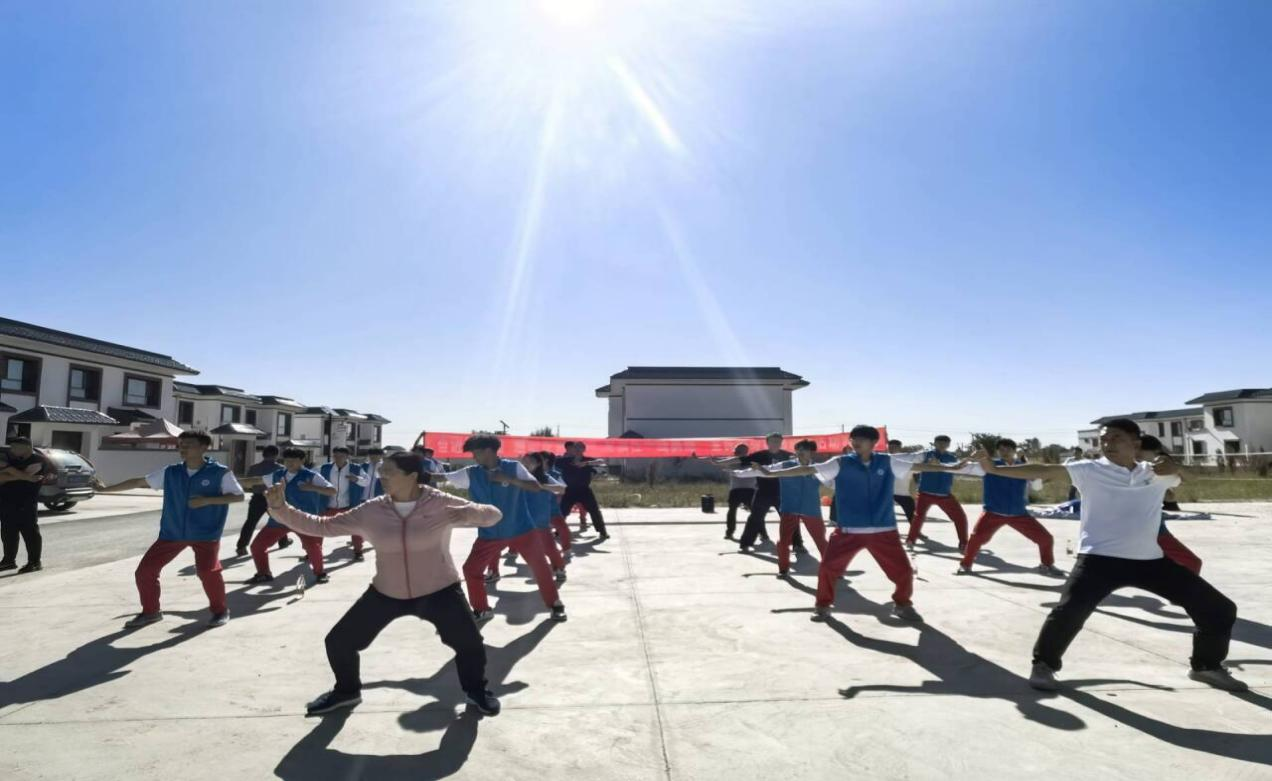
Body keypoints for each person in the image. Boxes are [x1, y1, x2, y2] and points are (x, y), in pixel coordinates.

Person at [971, 418, 1245, 692]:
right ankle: (1043, 665)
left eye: (1115, 438)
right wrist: (994, 468)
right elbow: (1046, 470)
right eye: (1103, 439)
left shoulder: (1155, 473)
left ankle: (1206, 666)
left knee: (1219, 609)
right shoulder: (1089, 470)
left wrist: (1177, 467)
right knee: (1069, 612)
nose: (1107, 443)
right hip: (1099, 559)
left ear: (1135, 443)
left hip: (1149, 560)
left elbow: (1193, 478)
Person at [262, 450, 505, 716]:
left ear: (412, 476)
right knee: (338, 642)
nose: (382, 477)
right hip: (387, 592)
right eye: (381, 471)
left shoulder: (440, 502)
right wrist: (281, 509)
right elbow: (323, 526)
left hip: (439, 590)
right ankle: (346, 692)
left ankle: (476, 692)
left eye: (389, 472)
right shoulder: (372, 510)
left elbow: (493, 516)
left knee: (470, 643)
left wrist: (474, 512)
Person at [760, 425, 942, 623]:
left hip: (883, 530)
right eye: (853, 439)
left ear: (874, 442)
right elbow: (807, 469)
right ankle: (822, 606)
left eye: (861, 439)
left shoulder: (887, 461)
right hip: (848, 530)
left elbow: (918, 466)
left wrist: (950, 468)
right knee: (828, 569)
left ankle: (903, 604)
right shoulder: (841, 462)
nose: (856, 443)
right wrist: (768, 473)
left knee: (904, 572)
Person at [94, 431, 243, 628]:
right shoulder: (171, 472)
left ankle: (220, 611)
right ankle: (151, 612)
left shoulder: (220, 472)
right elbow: (139, 482)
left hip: (206, 534)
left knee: (208, 572)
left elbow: (239, 496)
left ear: (204, 447)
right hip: (172, 533)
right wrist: (105, 490)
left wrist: (208, 500)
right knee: (145, 571)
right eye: (181, 444)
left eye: (188, 444)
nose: (183, 448)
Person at [434, 434, 567, 622]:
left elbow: (535, 486)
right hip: (490, 533)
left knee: (540, 566)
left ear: (488, 451)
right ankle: (482, 609)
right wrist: (416, 474)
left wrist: (509, 479)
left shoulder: (514, 468)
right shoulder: (471, 473)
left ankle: (555, 604)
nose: (473, 457)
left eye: (476, 453)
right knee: (471, 569)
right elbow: (441, 477)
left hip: (522, 529)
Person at [955, 438, 1061, 576]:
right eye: (1001, 449)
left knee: (1046, 538)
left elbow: (1036, 487)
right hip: (993, 513)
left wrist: (1037, 478)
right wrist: (968, 459)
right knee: (976, 539)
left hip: (1019, 514)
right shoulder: (989, 466)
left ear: (1014, 451)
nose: (1004, 452)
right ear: (997, 451)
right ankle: (965, 565)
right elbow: (961, 468)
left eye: (1008, 449)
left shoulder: (1023, 467)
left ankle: (1046, 565)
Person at [239, 448, 337, 585]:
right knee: (257, 546)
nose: (290, 463)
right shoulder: (278, 474)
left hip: (303, 519)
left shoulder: (311, 476)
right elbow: (257, 480)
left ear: (302, 460)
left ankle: (320, 573)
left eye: (294, 460)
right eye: (287, 460)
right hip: (279, 519)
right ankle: (263, 574)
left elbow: (332, 490)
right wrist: (235, 481)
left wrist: (312, 487)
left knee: (312, 547)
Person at [733, 439, 828, 576]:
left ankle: (832, 568)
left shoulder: (819, 468)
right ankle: (783, 569)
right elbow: (764, 470)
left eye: (804, 449)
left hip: (811, 509)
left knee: (821, 541)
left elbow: (833, 482)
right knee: (784, 541)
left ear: (811, 452)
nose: (800, 452)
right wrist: (738, 473)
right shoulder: (785, 465)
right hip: (790, 508)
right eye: (798, 449)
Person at [1139, 434, 1202, 574]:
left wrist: (1176, 468)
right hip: (1142, 529)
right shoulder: (1130, 469)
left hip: (1155, 526)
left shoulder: (1160, 470)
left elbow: (1191, 478)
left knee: (1191, 563)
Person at [733, 433, 804, 552]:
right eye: (773, 441)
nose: (775, 443)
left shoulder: (788, 456)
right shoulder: (759, 455)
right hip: (763, 492)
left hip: (783, 492)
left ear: (781, 443)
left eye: (778, 441)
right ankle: (745, 544)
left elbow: (803, 464)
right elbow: (741, 459)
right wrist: (720, 462)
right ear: (767, 442)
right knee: (755, 518)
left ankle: (797, 544)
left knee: (790, 518)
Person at [907, 435, 971, 552]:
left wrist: (971, 458)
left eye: (945, 443)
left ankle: (963, 543)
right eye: (939, 442)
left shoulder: (951, 457)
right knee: (918, 516)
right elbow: (913, 465)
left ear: (948, 445)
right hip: (925, 493)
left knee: (960, 517)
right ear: (934, 443)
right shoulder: (926, 455)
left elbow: (961, 466)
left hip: (944, 494)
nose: (942, 445)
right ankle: (911, 540)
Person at [0, 437, 54, 573]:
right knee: (8, 533)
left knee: (30, 533)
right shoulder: (13, 460)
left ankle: (35, 562)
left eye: (15, 447)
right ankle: (8, 561)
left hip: (26, 502)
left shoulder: (39, 460)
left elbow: (28, 474)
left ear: (27, 447)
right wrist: (21, 475)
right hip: (7, 501)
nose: (12, 450)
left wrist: (10, 472)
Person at [319, 447, 371, 562]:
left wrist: (356, 479)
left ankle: (358, 551)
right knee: (318, 528)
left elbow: (366, 481)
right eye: (335, 456)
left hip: (348, 505)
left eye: (341, 456)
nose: (338, 458)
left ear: (347, 457)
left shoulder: (356, 468)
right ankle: (314, 551)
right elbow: (314, 479)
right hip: (328, 505)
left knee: (356, 529)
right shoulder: (325, 468)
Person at [235, 445, 289, 557]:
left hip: (258, 497)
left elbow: (248, 484)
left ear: (263, 454)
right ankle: (283, 541)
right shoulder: (281, 468)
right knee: (279, 520)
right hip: (274, 497)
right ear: (276, 455)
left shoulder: (254, 468)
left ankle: (241, 546)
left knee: (250, 522)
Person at [522, 452, 568, 582]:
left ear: (538, 464)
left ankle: (559, 567)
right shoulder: (518, 478)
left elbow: (562, 489)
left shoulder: (545, 478)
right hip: (522, 520)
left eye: (529, 461)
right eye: (524, 461)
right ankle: (493, 570)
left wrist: (541, 486)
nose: (525, 464)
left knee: (549, 548)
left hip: (540, 520)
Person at [558, 441, 608, 541]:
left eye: (580, 447)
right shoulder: (565, 460)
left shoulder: (587, 460)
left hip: (584, 490)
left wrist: (587, 463)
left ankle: (602, 532)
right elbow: (551, 462)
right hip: (570, 490)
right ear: (572, 449)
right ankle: (558, 531)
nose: (577, 449)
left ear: (584, 449)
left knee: (594, 511)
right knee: (562, 512)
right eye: (575, 447)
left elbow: (602, 461)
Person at [708, 444, 756, 541]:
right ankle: (729, 532)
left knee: (756, 513)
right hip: (735, 490)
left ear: (746, 451)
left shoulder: (752, 461)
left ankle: (762, 533)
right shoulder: (731, 461)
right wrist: (703, 458)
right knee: (731, 512)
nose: (738, 452)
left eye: (740, 451)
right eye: (737, 451)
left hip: (749, 490)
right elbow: (717, 460)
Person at [542, 452, 572, 554]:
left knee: (563, 529)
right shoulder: (530, 474)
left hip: (552, 508)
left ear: (546, 460)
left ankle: (567, 549)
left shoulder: (555, 475)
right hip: (535, 509)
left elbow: (563, 489)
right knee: (522, 531)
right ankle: (513, 550)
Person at [886, 439, 917, 528]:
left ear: (900, 448)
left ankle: (916, 532)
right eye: (890, 447)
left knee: (912, 515)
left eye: (894, 447)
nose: (891, 449)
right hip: (887, 493)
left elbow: (915, 474)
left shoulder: (908, 460)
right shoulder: (884, 460)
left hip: (903, 493)